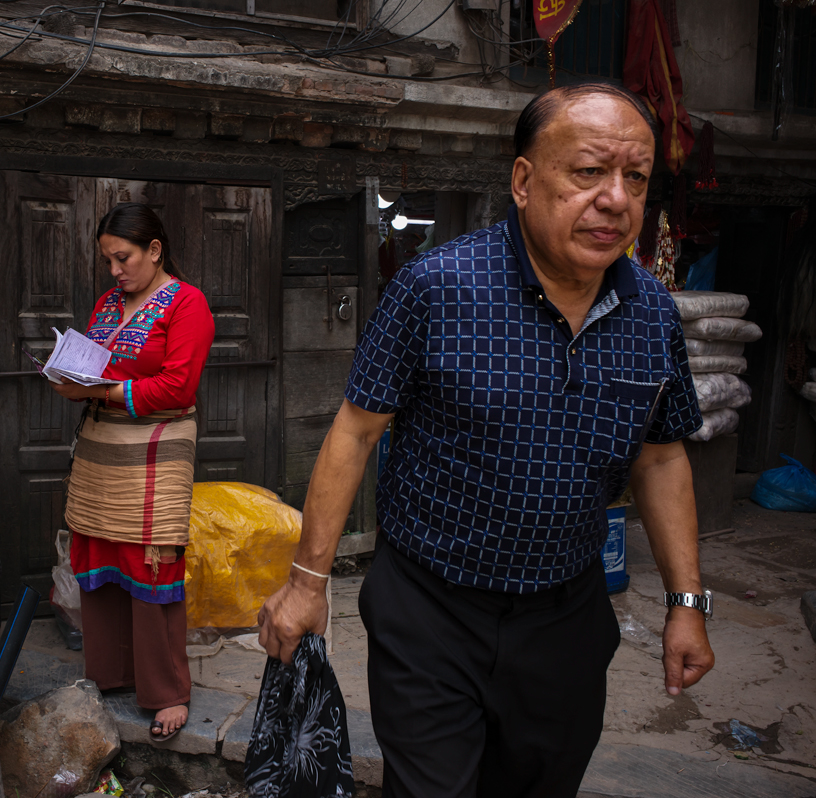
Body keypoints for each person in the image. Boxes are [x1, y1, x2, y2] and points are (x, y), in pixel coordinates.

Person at [258, 83, 716, 796]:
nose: (616, 199)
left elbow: (660, 456)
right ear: (525, 181)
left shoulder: (652, 312)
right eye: (589, 172)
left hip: (566, 615)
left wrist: (687, 603)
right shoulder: (436, 287)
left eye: (636, 177)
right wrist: (305, 583)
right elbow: (356, 431)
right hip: (430, 610)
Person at [50, 203, 215, 741]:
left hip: (158, 447)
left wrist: (99, 390)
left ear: (155, 250)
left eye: (123, 258)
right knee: (101, 547)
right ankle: (110, 673)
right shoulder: (106, 304)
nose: (115, 270)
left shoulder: (187, 305)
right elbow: (98, 363)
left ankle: (167, 692)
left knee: (151, 557)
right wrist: (71, 375)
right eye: (108, 261)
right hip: (102, 445)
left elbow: (177, 387)